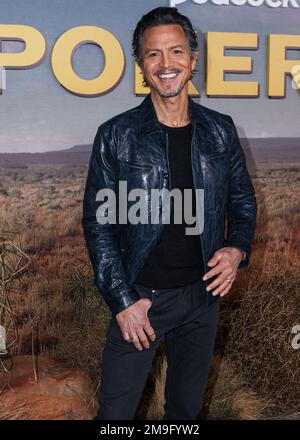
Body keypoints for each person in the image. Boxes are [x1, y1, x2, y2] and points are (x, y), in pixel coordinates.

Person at [82, 6, 257, 420]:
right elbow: (99, 224)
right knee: (116, 417)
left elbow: (243, 202)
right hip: (140, 301)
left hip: (202, 299)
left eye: (176, 52)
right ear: (141, 65)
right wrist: (124, 300)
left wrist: (237, 250)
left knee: (185, 411)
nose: (166, 65)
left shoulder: (221, 129)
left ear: (193, 60)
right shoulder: (116, 135)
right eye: (153, 54)